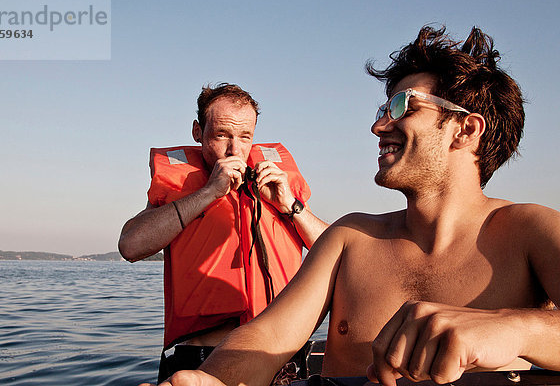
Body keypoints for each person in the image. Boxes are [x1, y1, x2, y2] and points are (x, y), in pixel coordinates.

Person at [157, 26, 560, 386]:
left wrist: (513, 328)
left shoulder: (532, 230)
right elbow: (268, 337)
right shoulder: (350, 237)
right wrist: (209, 379)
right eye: (382, 109)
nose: (379, 125)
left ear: (465, 130)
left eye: (402, 106)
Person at [118, 83, 329, 381]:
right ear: (197, 132)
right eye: (221, 135)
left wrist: (290, 205)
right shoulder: (185, 188)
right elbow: (130, 245)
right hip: (202, 355)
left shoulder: (277, 185)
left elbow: (338, 251)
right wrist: (208, 193)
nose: (235, 150)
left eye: (245, 137)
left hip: (279, 352)